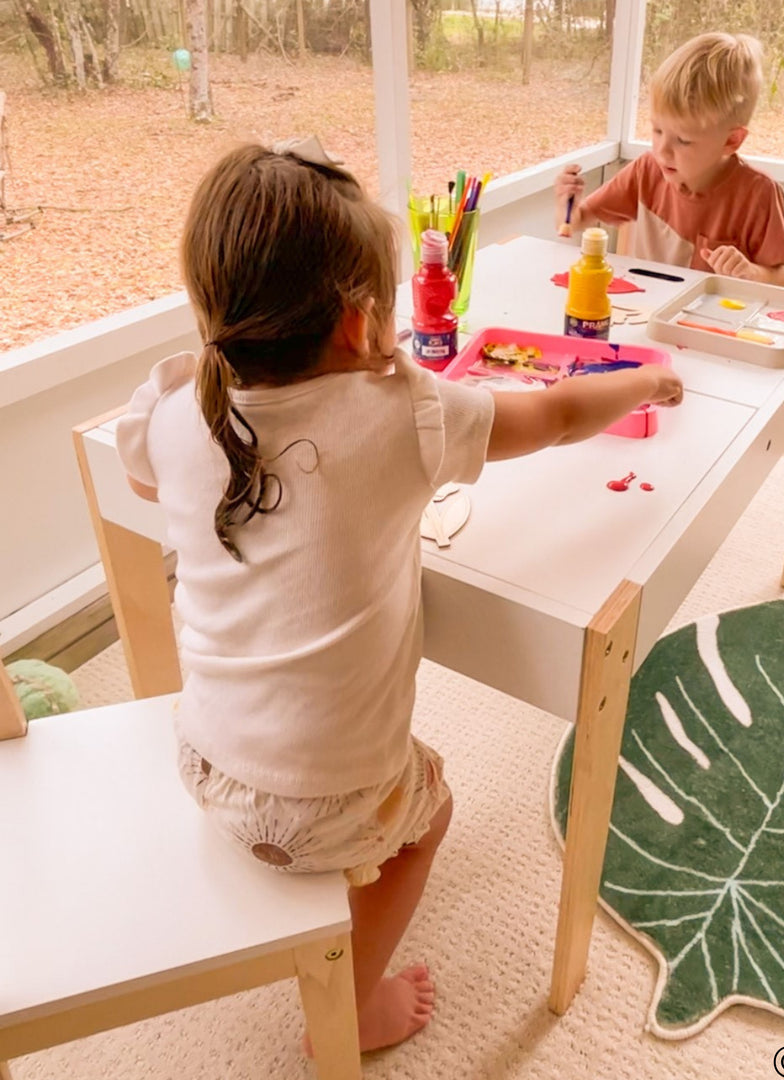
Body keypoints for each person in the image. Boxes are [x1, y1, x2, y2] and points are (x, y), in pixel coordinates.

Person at [115, 138, 683, 1057]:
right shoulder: (406, 410)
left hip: (205, 763)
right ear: (357, 322)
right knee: (432, 813)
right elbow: (550, 416)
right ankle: (347, 1005)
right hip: (331, 803)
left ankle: (292, 877)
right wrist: (644, 381)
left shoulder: (177, 402)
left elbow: (144, 482)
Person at [555, 33, 784, 285]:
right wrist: (566, 208)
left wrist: (750, 272)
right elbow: (577, 221)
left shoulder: (759, 194)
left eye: (683, 140)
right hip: (642, 310)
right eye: (657, 131)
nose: (662, 151)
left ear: (731, 141)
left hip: (710, 319)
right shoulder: (647, 169)